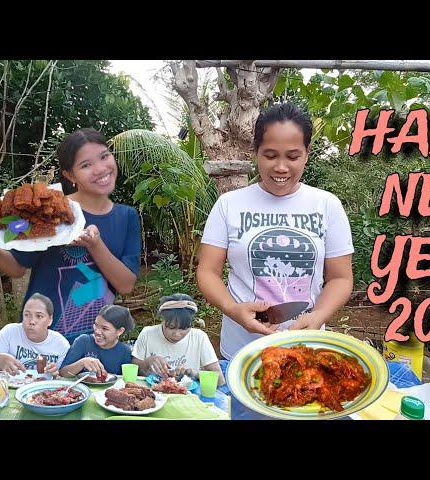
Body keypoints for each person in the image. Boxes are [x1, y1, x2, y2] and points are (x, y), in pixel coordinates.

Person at [196, 102, 355, 361]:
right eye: (270, 155)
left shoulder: (327, 205)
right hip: (242, 351)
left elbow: (340, 278)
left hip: (306, 347)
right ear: (255, 152)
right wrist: (232, 308)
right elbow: (207, 271)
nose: (281, 167)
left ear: (307, 153)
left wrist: (318, 316)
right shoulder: (229, 204)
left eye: (292, 156)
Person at [0, 128, 141, 343]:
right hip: (42, 339)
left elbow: (125, 285)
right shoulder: (51, 209)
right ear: (69, 175)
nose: (100, 169)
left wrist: (95, 244)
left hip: (96, 341)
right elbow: (17, 268)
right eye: (86, 165)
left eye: (104, 156)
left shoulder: (127, 217)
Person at [131, 294, 225, 385]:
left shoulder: (199, 337)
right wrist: (148, 361)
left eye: (183, 328)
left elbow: (220, 380)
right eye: (171, 327)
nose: (177, 334)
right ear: (162, 319)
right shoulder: (148, 334)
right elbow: (132, 368)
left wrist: (195, 374)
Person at [0, 293, 70, 376]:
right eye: (27, 315)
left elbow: (65, 377)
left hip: (45, 390)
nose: (31, 321)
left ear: (50, 320)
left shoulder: (61, 344)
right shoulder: (9, 332)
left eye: (39, 316)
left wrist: (56, 374)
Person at [59, 304, 133, 377]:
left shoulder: (125, 352)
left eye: (105, 328)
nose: (97, 331)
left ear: (120, 331)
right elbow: (62, 373)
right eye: (96, 325)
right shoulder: (84, 341)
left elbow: (126, 381)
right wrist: (82, 363)